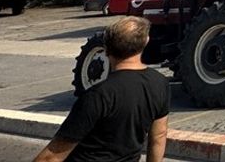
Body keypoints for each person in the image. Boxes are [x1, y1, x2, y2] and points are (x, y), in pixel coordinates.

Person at [33, 17, 169, 162]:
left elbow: (51, 157)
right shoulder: (160, 83)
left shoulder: (98, 95)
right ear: (146, 41)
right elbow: (159, 136)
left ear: (106, 47)